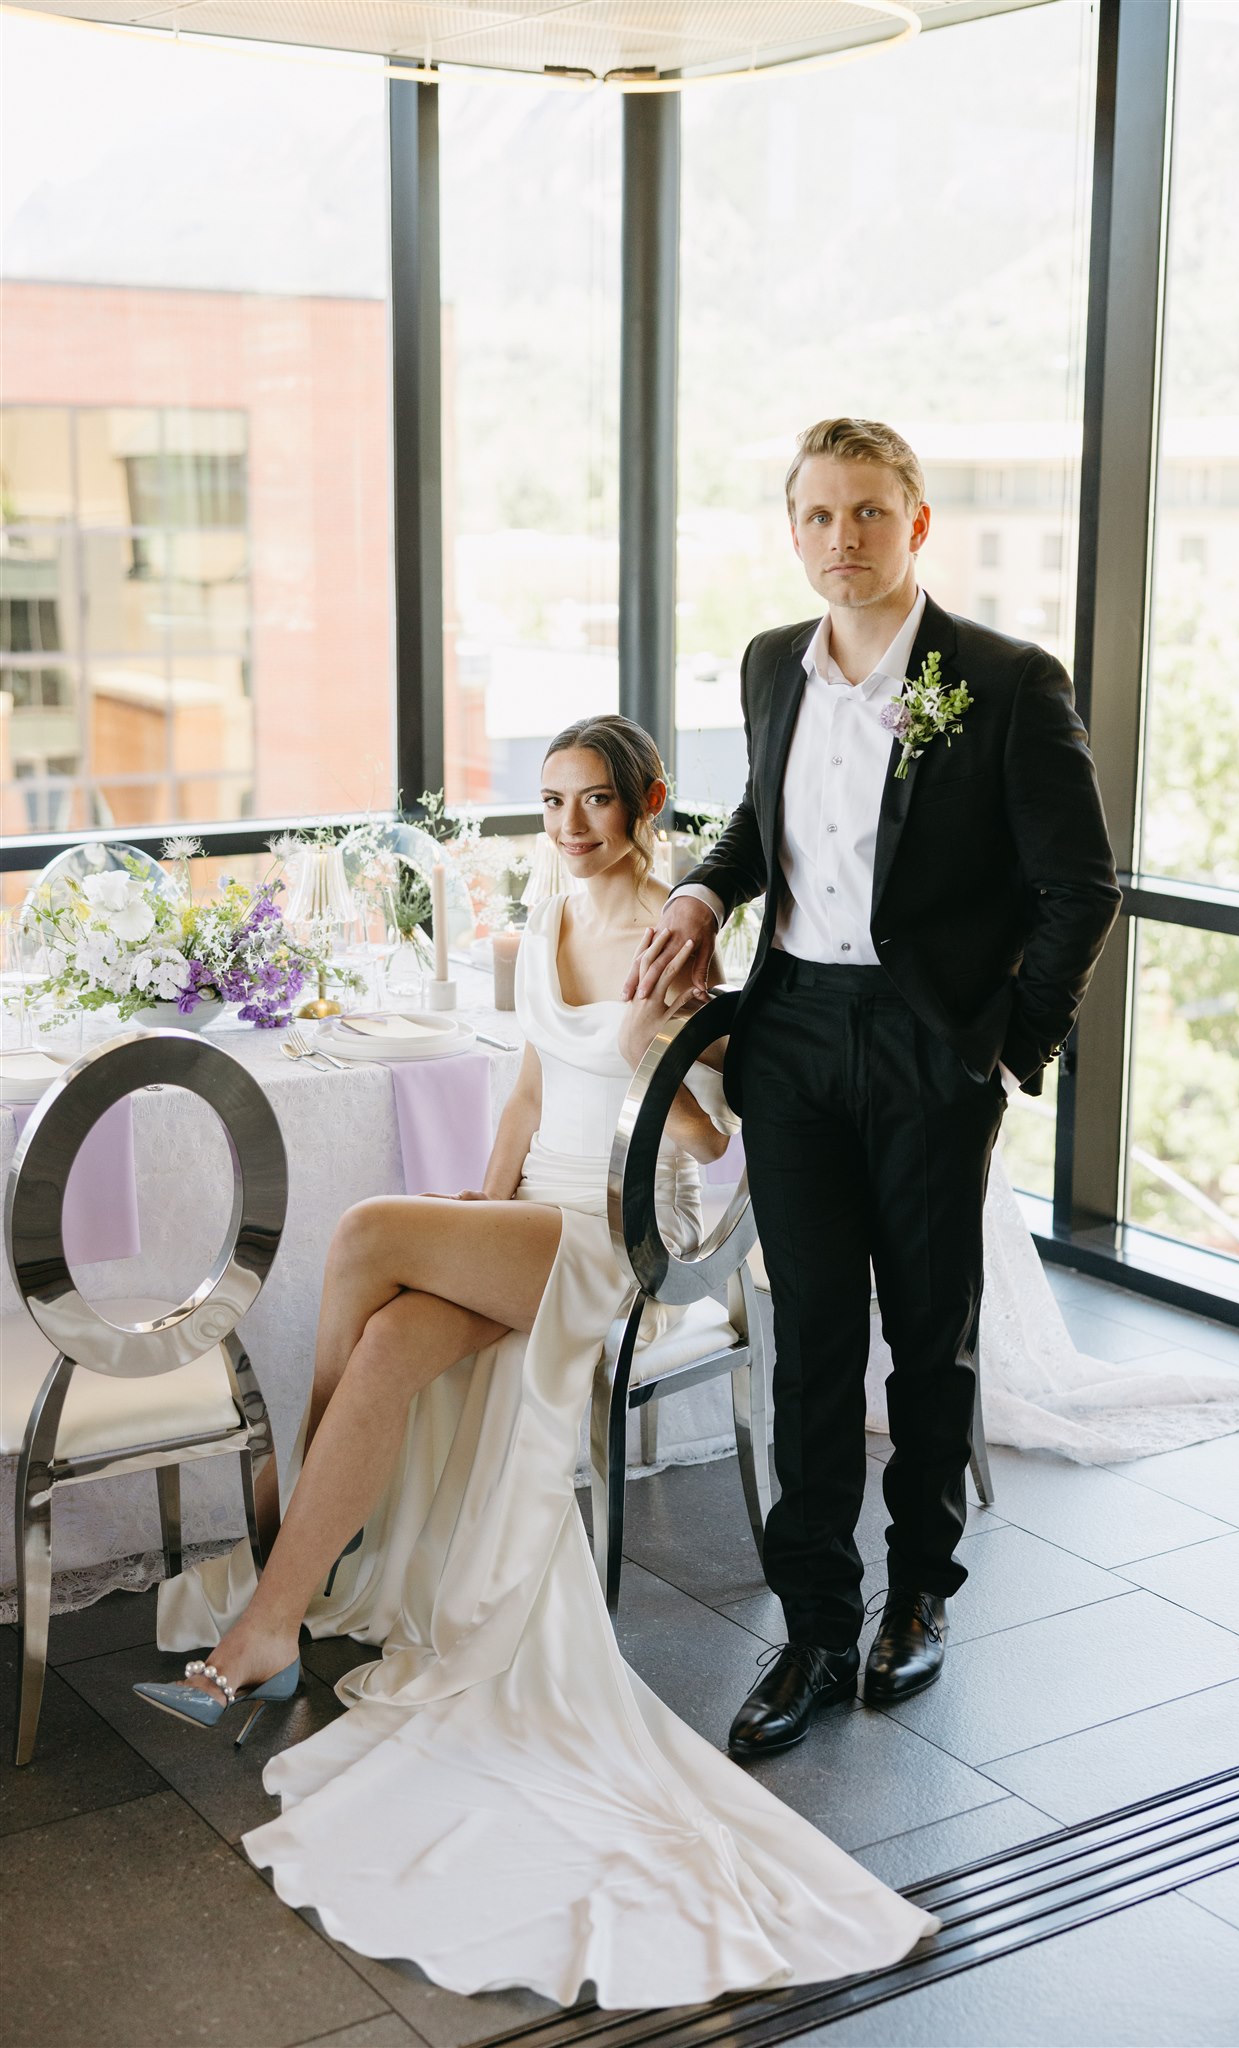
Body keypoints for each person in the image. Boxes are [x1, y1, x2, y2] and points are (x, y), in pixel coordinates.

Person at [137, 713, 937, 2009]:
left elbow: (713, 1139)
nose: (569, 823)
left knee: (357, 1234)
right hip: (531, 1220)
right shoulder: (537, 921)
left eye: (594, 803)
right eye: (554, 800)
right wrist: (473, 1210)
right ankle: (276, 1623)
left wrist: (655, 1067)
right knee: (394, 1323)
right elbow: (517, 1099)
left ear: (643, 806)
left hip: (617, 1231)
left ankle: (297, 1529)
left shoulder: (681, 945)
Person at [625, 416, 1122, 1759]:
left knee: (927, 1333)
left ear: (913, 522)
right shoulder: (769, 663)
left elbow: (1080, 882)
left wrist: (999, 1039)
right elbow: (759, 821)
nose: (838, 542)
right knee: (808, 1351)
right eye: (814, 517)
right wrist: (694, 891)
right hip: (790, 1038)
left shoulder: (1006, 679)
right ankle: (816, 1628)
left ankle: (917, 1595)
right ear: (789, 529)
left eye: (864, 514)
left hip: (925, 1047)